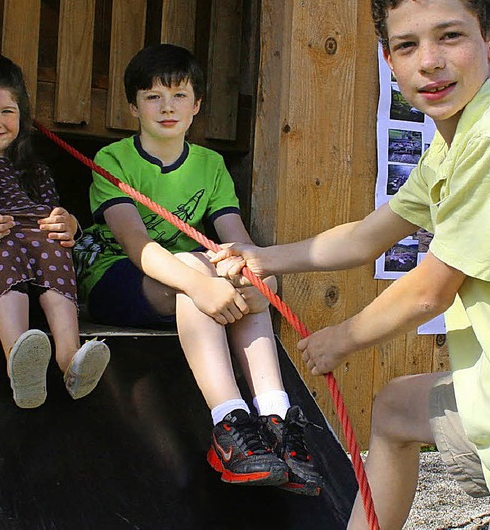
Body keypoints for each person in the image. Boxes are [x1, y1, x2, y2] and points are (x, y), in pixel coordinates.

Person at [212, 0, 490, 528]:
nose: (429, 61)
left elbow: (429, 291)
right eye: (407, 45)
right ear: (390, 60)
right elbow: (367, 236)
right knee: (394, 409)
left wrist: (338, 340)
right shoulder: (455, 140)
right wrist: (264, 257)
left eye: (450, 37)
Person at [73, 43, 323, 495]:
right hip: (117, 277)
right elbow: (137, 247)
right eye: (153, 97)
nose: (167, 107)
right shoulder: (114, 160)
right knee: (195, 268)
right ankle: (228, 422)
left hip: (191, 279)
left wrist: (259, 274)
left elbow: (240, 240)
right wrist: (200, 284)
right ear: (133, 106)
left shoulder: (211, 165)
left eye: (179, 96)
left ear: (197, 105)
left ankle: (276, 417)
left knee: (247, 271)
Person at [0, 55, 110, 409]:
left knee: (50, 240)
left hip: (37, 281)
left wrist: (68, 224)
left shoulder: (34, 169)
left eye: (7, 111)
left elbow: (56, 216)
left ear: (21, 117)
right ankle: (18, 359)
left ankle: (69, 357)